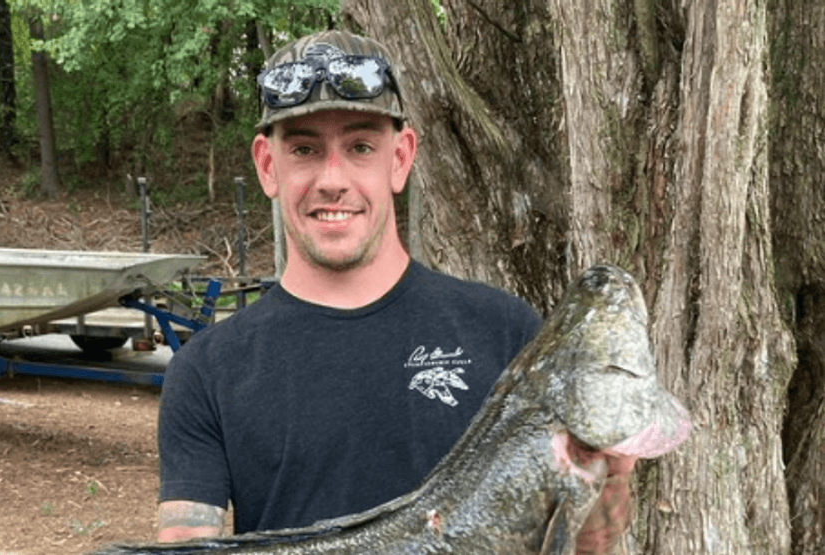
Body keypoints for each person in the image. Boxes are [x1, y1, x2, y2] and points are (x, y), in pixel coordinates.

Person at [156, 29, 636, 553]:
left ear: (401, 158)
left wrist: (611, 476)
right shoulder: (205, 370)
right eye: (304, 150)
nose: (332, 179)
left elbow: (586, 545)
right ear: (268, 165)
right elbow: (186, 542)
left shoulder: (506, 334)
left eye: (360, 147)